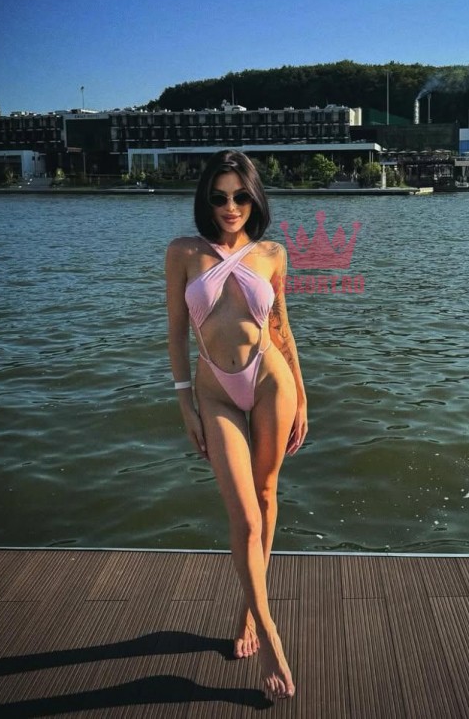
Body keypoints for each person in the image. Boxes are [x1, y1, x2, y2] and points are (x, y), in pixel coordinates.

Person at [165, 149, 307, 700]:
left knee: (268, 494)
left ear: (254, 199)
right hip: (214, 391)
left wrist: (302, 395)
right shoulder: (183, 252)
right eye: (220, 196)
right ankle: (270, 633)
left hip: (272, 381)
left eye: (241, 196)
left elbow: (282, 329)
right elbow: (177, 333)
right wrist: (185, 404)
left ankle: (250, 611)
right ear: (206, 199)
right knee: (245, 517)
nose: (231, 206)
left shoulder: (273, 253)